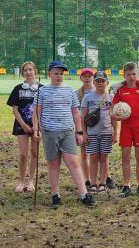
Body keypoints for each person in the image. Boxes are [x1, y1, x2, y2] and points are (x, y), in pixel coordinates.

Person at [32, 60, 95, 207]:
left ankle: (84, 194)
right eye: (56, 73)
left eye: (61, 73)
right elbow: (36, 112)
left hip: (67, 132)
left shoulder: (69, 91)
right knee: (54, 163)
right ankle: (55, 195)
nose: (59, 76)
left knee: (73, 162)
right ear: (49, 74)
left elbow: (76, 113)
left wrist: (79, 132)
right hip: (49, 132)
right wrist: (36, 130)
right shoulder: (42, 91)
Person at [111, 62, 139, 197]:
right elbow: (112, 109)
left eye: (134, 74)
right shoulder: (120, 90)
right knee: (125, 156)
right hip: (126, 128)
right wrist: (115, 115)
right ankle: (126, 186)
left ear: (137, 74)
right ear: (124, 75)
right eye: (128, 75)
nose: (131, 77)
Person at [7, 61, 42, 193]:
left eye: (30, 70)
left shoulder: (42, 89)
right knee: (23, 154)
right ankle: (21, 181)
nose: (28, 72)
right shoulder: (18, 89)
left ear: (35, 71)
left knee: (34, 153)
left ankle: (31, 181)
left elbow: (43, 110)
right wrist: (24, 125)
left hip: (37, 126)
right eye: (25, 70)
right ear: (23, 73)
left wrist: (37, 127)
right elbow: (15, 110)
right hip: (21, 125)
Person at [81, 71, 117, 193]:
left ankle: (102, 182)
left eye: (103, 81)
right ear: (94, 82)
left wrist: (115, 133)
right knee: (93, 157)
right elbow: (83, 117)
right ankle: (93, 183)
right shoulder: (88, 97)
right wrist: (84, 133)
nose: (100, 83)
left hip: (106, 132)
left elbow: (113, 117)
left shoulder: (111, 98)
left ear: (107, 82)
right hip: (92, 133)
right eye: (98, 81)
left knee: (104, 158)